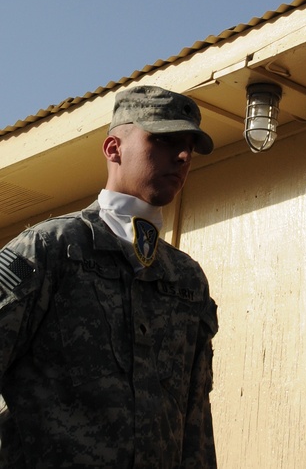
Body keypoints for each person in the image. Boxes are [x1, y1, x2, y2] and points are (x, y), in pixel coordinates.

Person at [0, 83, 219, 468]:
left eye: (188, 145)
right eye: (164, 140)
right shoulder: (49, 248)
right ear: (114, 148)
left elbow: (195, 422)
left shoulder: (187, 280)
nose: (183, 155)